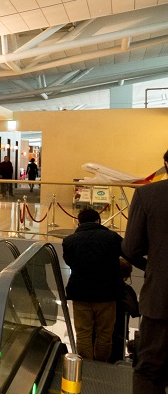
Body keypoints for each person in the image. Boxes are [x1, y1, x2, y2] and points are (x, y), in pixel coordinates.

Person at [122, 149, 168, 393]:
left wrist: (152, 264)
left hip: (161, 299)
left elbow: (131, 248)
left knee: (149, 370)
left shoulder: (148, 194)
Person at [62, 208, 123, 362]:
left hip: (80, 294)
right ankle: (101, 366)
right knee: (105, 334)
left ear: (79, 222)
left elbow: (69, 262)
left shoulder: (69, 241)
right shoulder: (112, 237)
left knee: (83, 334)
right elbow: (127, 253)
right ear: (98, 221)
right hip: (106, 294)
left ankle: (87, 368)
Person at [109, 257, 140, 363]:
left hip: (102, 330)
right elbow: (135, 311)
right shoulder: (127, 290)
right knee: (115, 361)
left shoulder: (105, 287)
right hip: (119, 333)